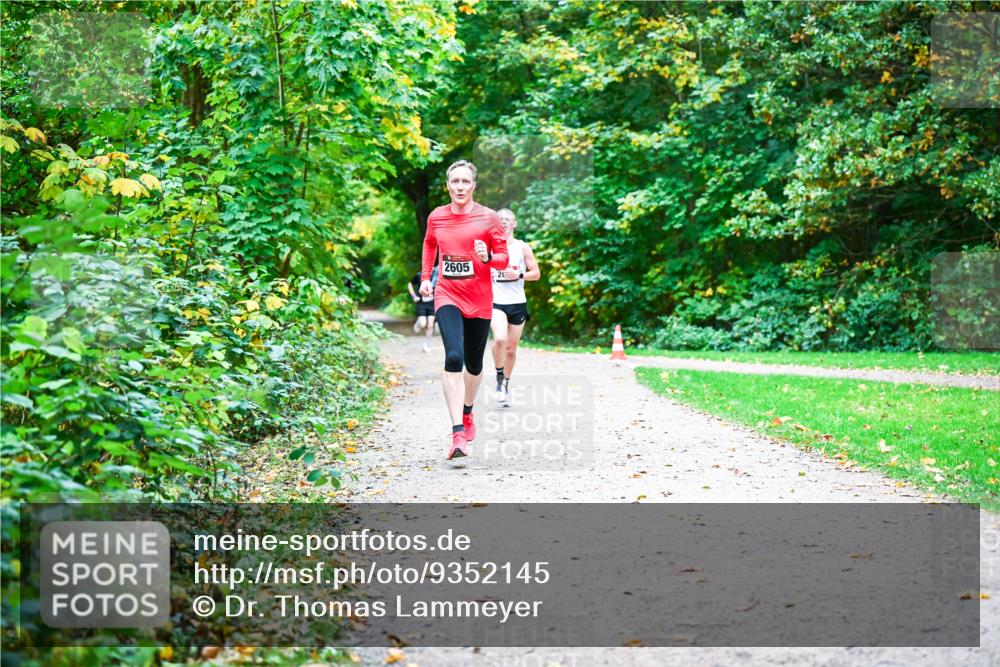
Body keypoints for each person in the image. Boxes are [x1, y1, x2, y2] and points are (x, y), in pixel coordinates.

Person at [420, 160, 508, 460]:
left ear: (474, 185)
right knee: (454, 357)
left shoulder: (489, 218)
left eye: (465, 182)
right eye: (455, 182)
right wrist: (425, 279)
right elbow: (430, 246)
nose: (460, 187)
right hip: (447, 294)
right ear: (448, 185)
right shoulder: (437, 217)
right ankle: (458, 433)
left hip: (480, 299)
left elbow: (504, 259)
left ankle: (468, 412)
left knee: (473, 364)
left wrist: (487, 257)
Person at [490, 208, 540, 404]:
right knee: (500, 340)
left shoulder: (522, 247)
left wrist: (519, 275)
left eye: (507, 219)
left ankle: (505, 385)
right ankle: (499, 377)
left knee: (510, 349)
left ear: (514, 223)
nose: (503, 221)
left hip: (518, 303)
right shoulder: (490, 247)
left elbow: (536, 273)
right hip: (496, 302)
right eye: (499, 219)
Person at [408, 268, 437, 352]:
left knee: (430, 325)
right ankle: (419, 322)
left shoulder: (437, 276)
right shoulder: (419, 274)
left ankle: (426, 345)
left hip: (432, 304)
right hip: (422, 303)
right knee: (423, 324)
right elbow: (410, 284)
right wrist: (414, 296)